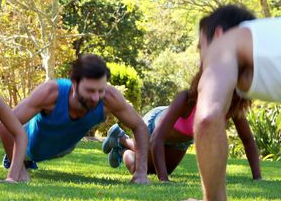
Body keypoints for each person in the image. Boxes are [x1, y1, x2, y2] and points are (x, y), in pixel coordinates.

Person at [184, 5, 281, 201]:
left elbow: (208, 117)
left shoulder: (225, 43)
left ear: (217, 34)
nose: (202, 58)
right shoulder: (273, 41)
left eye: (201, 47)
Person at [0, 54, 150, 184]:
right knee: (24, 149)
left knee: (64, 147)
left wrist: (141, 173)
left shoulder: (110, 98)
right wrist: (20, 171)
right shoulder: (51, 93)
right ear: (74, 83)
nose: (96, 97)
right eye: (90, 90)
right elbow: (3, 125)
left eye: (100, 90)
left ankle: (118, 141)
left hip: (64, 147)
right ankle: (19, 160)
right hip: (29, 147)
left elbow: (140, 126)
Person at [102, 71, 262, 182]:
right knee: (140, 168)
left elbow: (248, 141)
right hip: (154, 128)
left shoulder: (230, 108)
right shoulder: (186, 99)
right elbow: (157, 138)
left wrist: (257, 177)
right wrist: (163, 180)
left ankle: (121, 142)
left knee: (154, 170)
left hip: (180, 141)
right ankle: (122, 142)